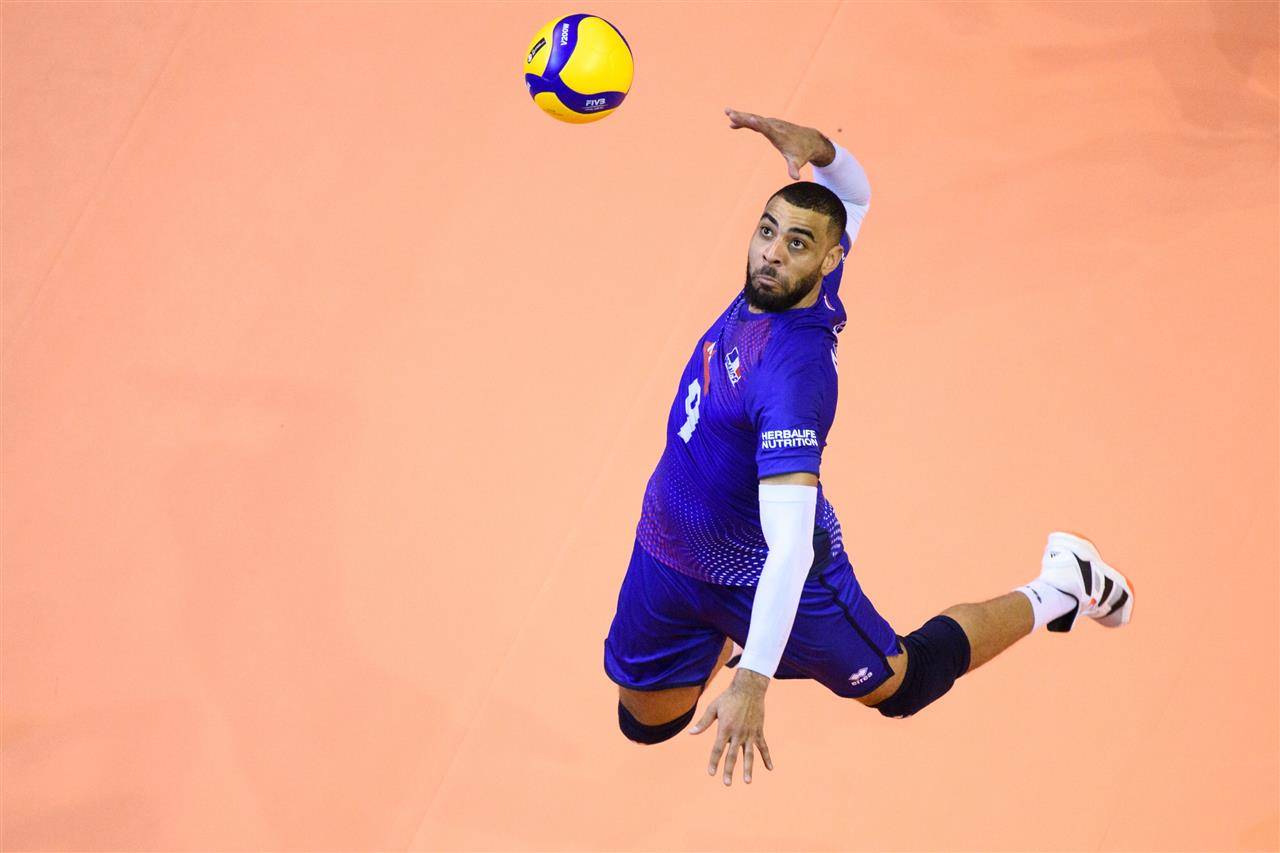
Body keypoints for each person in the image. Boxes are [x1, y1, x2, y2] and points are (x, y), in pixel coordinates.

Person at [603, 108, 1135, 786]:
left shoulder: (792, 376)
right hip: (669, 547)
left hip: (769, 570)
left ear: (829, 258)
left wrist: (755, 679)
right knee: (646, 722)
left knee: (903, 684)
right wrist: (822, 150)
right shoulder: (785, 288)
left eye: (797, 243)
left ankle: (1062, 585)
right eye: (767, 231)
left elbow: (789, 549)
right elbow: (853, 197)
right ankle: (743, 632)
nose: (772, 252)